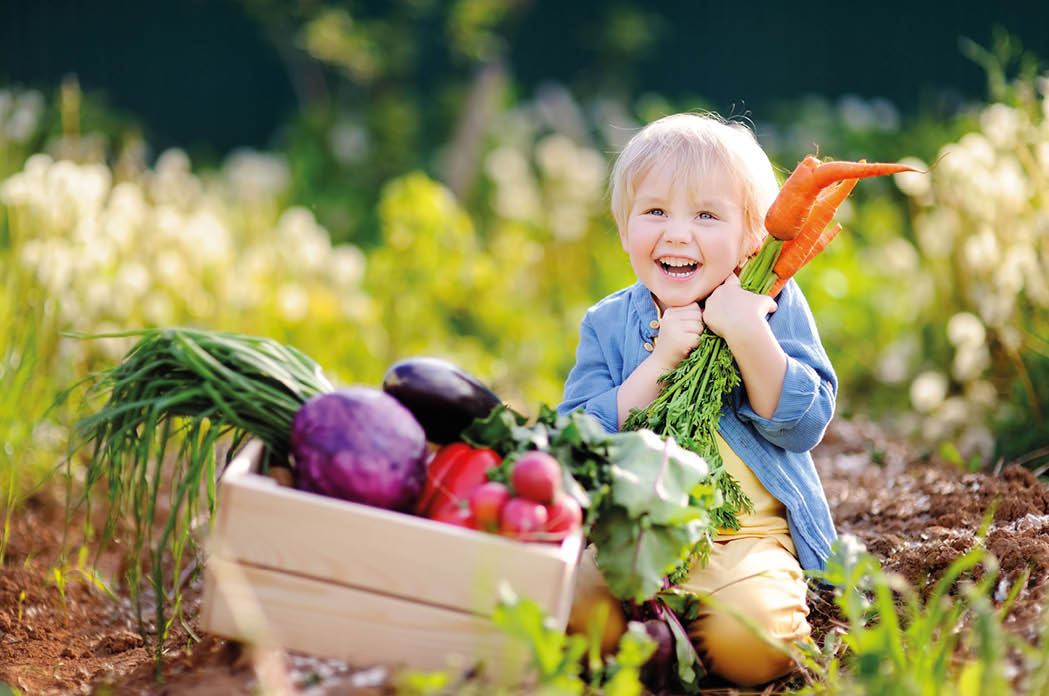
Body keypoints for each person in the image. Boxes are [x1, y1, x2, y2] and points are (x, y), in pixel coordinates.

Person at [558, 113, 838, 686]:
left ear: (751, 238)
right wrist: (657, 366)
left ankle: (682, 634)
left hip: (743, 538)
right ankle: (662, 632)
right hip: (631, 535)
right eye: (655, 211)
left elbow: (803, 424)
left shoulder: (773, 306)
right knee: (567, 609)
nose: (678, 234)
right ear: (624, 228)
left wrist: (747, 332)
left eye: (707, 215)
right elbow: (574, 442)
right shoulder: (609, 323)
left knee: (757, 645)